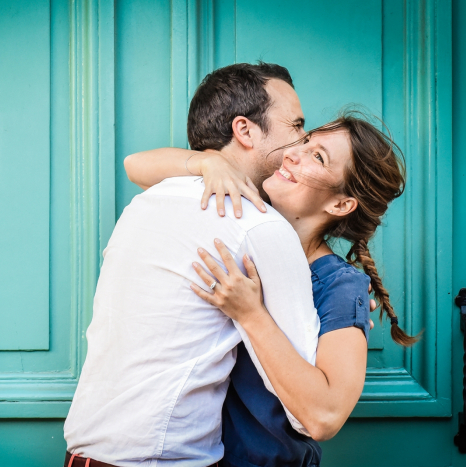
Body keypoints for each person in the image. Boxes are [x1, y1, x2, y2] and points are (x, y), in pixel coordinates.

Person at [64, 63, 324, 467]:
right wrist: (342, 304)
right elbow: (309, 415)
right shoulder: (260, 227)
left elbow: (136, 165)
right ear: (246, 130)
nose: (302, 141)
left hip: (83, 455)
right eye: (295, 126)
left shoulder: (145, 204)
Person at [125, 111, 420, 467]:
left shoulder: (341, 286)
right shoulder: (241, 223)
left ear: (340, 204)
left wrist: (251, 314)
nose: (294, 153)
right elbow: (137, 167)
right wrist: (208, 164)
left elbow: (325, 417)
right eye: (306, 141)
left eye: (318, 157)